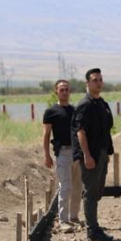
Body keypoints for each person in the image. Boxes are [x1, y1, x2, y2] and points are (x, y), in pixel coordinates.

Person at [72, 68, 115, 241]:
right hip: (91, 155)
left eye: (100, 79)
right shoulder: (85, 104)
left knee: (98, 190)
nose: (98, 83)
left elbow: (106, 129)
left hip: (102, 152)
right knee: (90, 192)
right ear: (87, 83)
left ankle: (93, 223)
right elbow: (80, 131)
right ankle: (92, 229)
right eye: (95, 80)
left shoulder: (102, 104)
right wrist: (87, 155)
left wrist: (107, 152)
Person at [41, 78, 82, 230]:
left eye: (66, 89)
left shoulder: (75, 110)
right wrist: (47, 155)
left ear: (70, 91)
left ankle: (74, 216)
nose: (64, 92)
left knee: (78, 187)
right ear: (56, 92)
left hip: (77, 152)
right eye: (61, 89)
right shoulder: (51, 112)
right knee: (65, 186)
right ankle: (63, 220)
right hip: (62, 152)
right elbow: (46, 135)